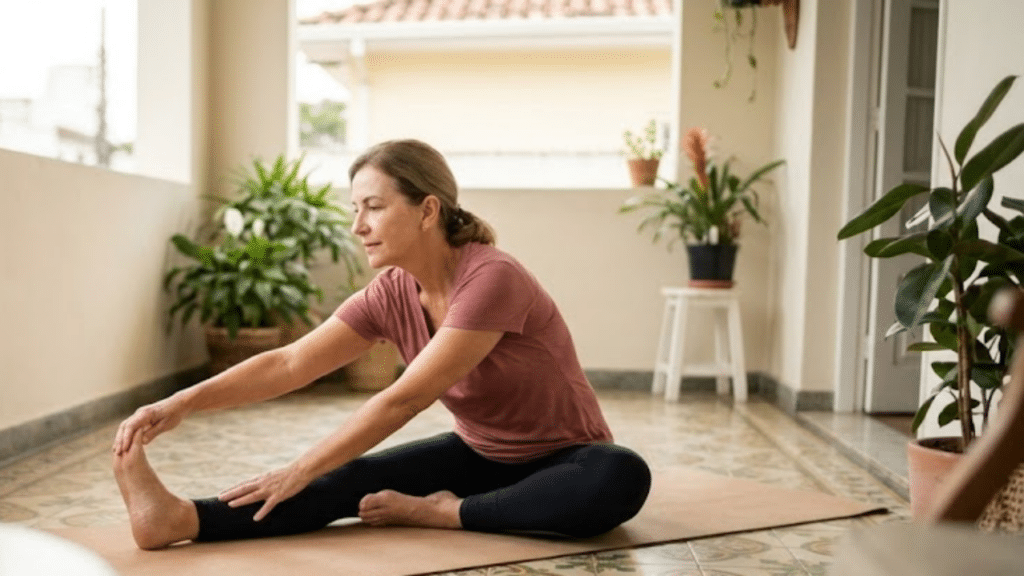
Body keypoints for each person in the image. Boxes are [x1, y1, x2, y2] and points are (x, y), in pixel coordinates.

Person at [112, 139, 652, 550]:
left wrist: (301, 467)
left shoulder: (491, 279)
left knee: (621, 475)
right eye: (354, 210)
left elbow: (404, 399)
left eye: (373, 207)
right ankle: (183, 518)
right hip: (481, 454)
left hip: (568, 459)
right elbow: (290, 362)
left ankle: (443, 513)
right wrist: (180, 401)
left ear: (427, 210)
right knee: (348, 476)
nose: (358, 226)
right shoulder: (392, 291)